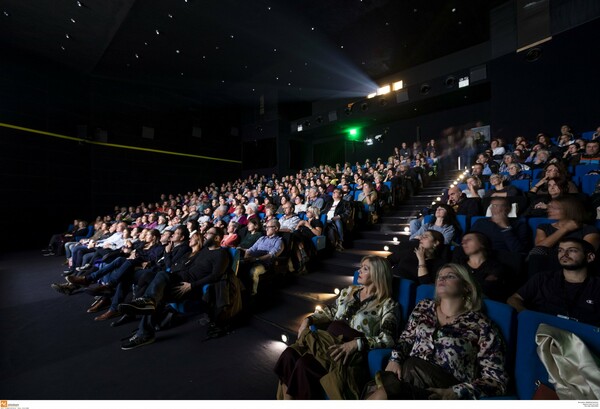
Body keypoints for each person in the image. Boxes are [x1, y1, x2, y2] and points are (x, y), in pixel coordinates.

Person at [367, 264, 508, 400]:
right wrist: (395, 359)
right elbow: (406, 339)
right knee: (382, 390)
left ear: (466, 287)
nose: (441, 279)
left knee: (385, 391)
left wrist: (455, 393)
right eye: (439, 276)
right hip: (409, 377)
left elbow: (496, 380)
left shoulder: (481, 324)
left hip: (443, 388)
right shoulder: (424, 307)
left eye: (450, 276)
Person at [274, 255, 399, 400]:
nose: (359, 271)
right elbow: (331, 312)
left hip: (345, 349)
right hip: (324, 340)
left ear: (378, 273)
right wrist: (308, 320)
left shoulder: (388, 304)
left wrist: (356, 344)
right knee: (288, 355)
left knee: (304, 365)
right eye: (360, 267)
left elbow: (388, 339)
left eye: (365, 269)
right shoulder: (349, 291)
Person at [118, 227, 229, 349]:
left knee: (158, 284)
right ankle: (145, 325)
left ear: (218, 238)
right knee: (154, 285)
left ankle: (145, 325)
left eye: (209, 233)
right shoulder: (204, 251)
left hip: (188, 287)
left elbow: (216, 275)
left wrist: (192, 286)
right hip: (179, 279)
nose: (205, 235)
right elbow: (187, 264)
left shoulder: (221, 253)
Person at [507, 238, 600, 326]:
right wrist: (528, 316)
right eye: (560, 250)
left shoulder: (597, 285)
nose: (564, 254)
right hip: (541, 331)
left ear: (590, 257)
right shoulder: (542, 278)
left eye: (572, 250)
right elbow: (513, 299)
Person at [452, 232, 510, 301]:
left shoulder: (496, 267)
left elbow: (485, 288)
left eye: (469, 239)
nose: (463, 243)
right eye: (462, 241)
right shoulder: (459, 263)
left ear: (482, 244)